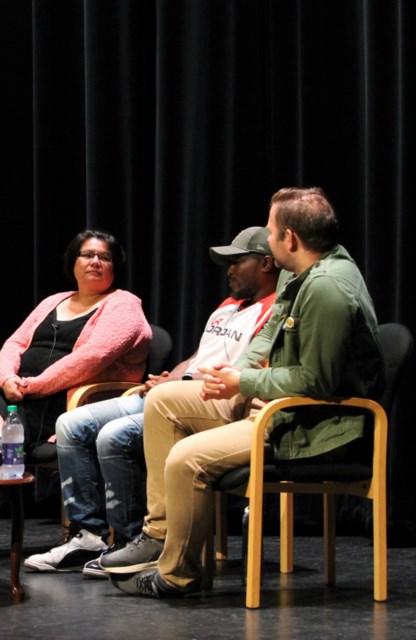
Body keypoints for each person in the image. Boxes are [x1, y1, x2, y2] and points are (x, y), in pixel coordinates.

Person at [99, 187, 383, 597]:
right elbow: (268, 334)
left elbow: (316, 382)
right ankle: (160, 534)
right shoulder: (297, 273)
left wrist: (244, 384)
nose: (267, 240)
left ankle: (178, 575)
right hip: (278, 405)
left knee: (186, 459)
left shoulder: (327, 288)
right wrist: (234, 372)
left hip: (314, 424)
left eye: (270, 231)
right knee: (162, 402)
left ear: (290, 239)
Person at [23, 226, 280, 574]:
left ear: (266, 264)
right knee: (69, 423)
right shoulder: (230, 304)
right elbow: (197, 356)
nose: (229, 269)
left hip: (207, 405)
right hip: (170, 394)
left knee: (113, 435)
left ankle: (131, 542)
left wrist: (185, 385)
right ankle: (88, 536)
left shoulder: (276, 310)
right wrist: (170, 378)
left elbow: (248, 371)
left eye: (237, 261)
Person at [0, 229, 153, 560]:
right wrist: (7, 378)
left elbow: (89, 359)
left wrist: (31, 386)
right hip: (22, 392)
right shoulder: (55, 301)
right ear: (72, 263)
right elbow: (15, 343)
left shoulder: (123, 304)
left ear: (114, 266)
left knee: (7, 421)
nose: (95, 262)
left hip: (68, 401)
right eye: (87, 255)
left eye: (104, 257)